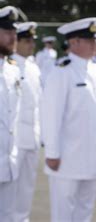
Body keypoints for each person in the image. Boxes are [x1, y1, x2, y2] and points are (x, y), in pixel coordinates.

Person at [40, 17, 96, 221]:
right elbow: (51, 115)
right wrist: (52, 152)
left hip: (91, 158)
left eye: (95, 39)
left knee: (84, 212)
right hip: (66, 159)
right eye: (89, 40)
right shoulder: (61, 72)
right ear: (74, 42)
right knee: (64, 214)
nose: (95, 44)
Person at [12, 22, 42, 221]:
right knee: (9, 191)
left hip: (32, 137)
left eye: (32, 41)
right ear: (16, 42)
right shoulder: (8, 66)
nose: (31, 45)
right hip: (14, 141)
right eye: (27, 41)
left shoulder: (33, 67)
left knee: (26, 189)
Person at [0, 6, 21, 221]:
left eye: (14, 32)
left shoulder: (13, 70)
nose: (13, 37)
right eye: (7, 32)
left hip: (8, 163)